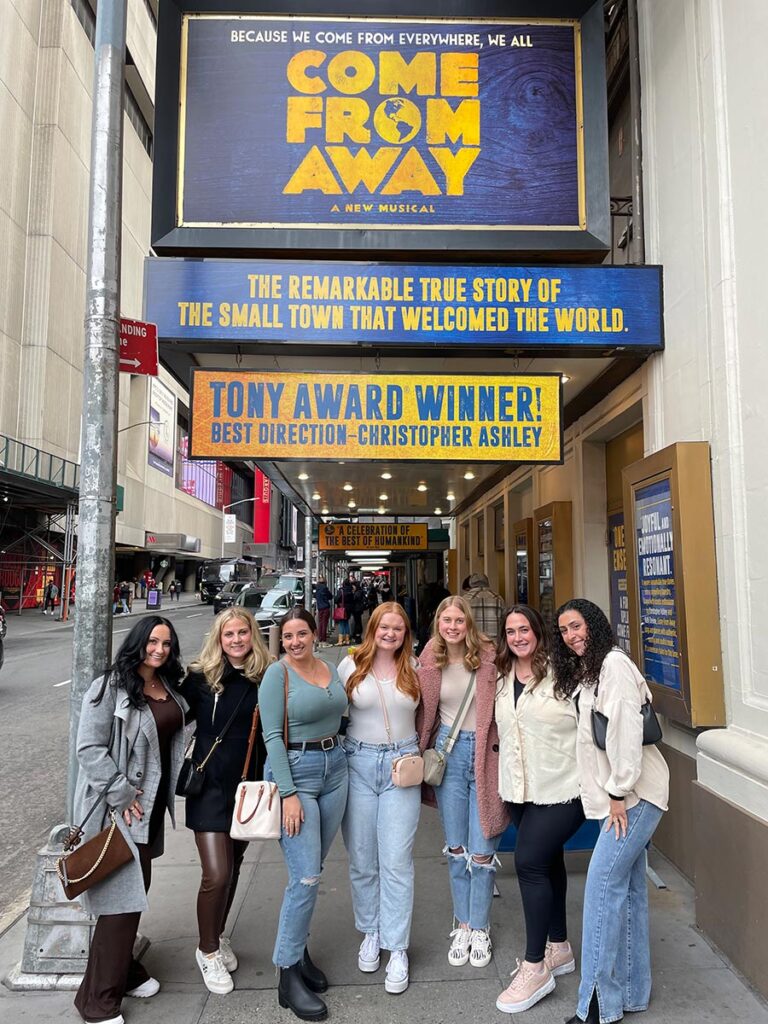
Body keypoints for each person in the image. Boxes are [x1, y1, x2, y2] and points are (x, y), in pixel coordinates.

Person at [553, 599, 670, 1024]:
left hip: (633, 798)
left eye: (577, 626)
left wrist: (618, 792)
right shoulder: (591, 671)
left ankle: (598, 1005)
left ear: (595, 625)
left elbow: (624, 732)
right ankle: (634, 993)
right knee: (631, 889)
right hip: (620, 799)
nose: (571, 635)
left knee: (602, 888)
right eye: (564, 630)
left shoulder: (614, 666)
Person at [72, 616, 187, 1024]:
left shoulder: (167, 684)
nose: (159, 650)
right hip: (118, 809)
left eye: (167, 644)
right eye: (152, 642)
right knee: (119, 904)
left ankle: (125, 972)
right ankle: (97, 1003)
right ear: (138, 641)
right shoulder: (108, 688)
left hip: (151, 809)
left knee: (136, 895)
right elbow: (87, 748)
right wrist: (121, 792)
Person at [493, 606, 584, 1014]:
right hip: (518, 789)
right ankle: (559, 947)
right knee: (548, 862)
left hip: (564, 789)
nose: (517, 637)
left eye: (524, 629)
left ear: (538, 632)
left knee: (528, 862)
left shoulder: (565, 673)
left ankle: (535, 968)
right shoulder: (497, 677)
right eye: (510, 631)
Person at [260, 608, 349, 1021]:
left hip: (336, 768)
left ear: (316, 634)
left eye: (302, 634)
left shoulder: (330, 666)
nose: (295, 642)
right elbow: (272, 737)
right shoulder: (276, 676)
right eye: (288, 636)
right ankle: (286, 974)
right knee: (306, 876)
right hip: (296, 773)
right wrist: (289, 794)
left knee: (314, 866)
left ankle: (299, 953)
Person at [178, 608, 273, 994]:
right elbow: (169, 715)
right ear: (219, 638)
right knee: (215, 873)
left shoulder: (267, 676)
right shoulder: (201, 678)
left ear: (253, 635)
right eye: (228, 634)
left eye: (243, 633)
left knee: (233, 867)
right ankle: (207, 950)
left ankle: (216, 932)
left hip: (247, 789)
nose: (236, 640)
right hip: (209, 787)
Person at [416, 596, 509, 969]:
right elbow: (420, 707)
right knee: (456, 848)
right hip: (448, 756)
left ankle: (481, 927)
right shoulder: (428, 659)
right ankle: (464, 923)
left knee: (483, 850)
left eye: (458, 620)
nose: (452, 626)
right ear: (438, 622)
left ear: (468, 623)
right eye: (446, 619)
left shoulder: (489, 657)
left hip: (487, 755)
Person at [338, 602, 421, 995]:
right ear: (372, 629)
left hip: (402, 767)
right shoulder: (348, 667)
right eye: (384, 627)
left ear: (406, 633)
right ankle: (370, 930)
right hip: (357, 763)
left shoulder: (416, 668)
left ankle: (397, 946)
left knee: (397, 861)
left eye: (398, 629)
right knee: (362, 858)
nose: (391, 634)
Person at [465, 573, 505, 640]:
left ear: (470, 583)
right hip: (494, 641)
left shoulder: (465, 599)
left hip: (473, 640)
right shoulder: (498, 598)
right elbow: (503, 621)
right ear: (487, 583)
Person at [314, 577, 333, 646]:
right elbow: (330, 596)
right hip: (325, 608)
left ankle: (320, 639)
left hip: (320, 608)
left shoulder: (317, 589)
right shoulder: (325, 588)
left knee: (321, 624)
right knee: (324, 624)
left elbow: (315, 596)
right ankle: (323, 641)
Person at [334, 579, 353, 647]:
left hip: (342, 609)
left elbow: (336, 599)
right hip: (349, 610)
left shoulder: (341, 591)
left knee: (341, 624)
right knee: (346, 623)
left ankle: (340, 641)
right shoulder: (351, 591)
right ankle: (347, 640)